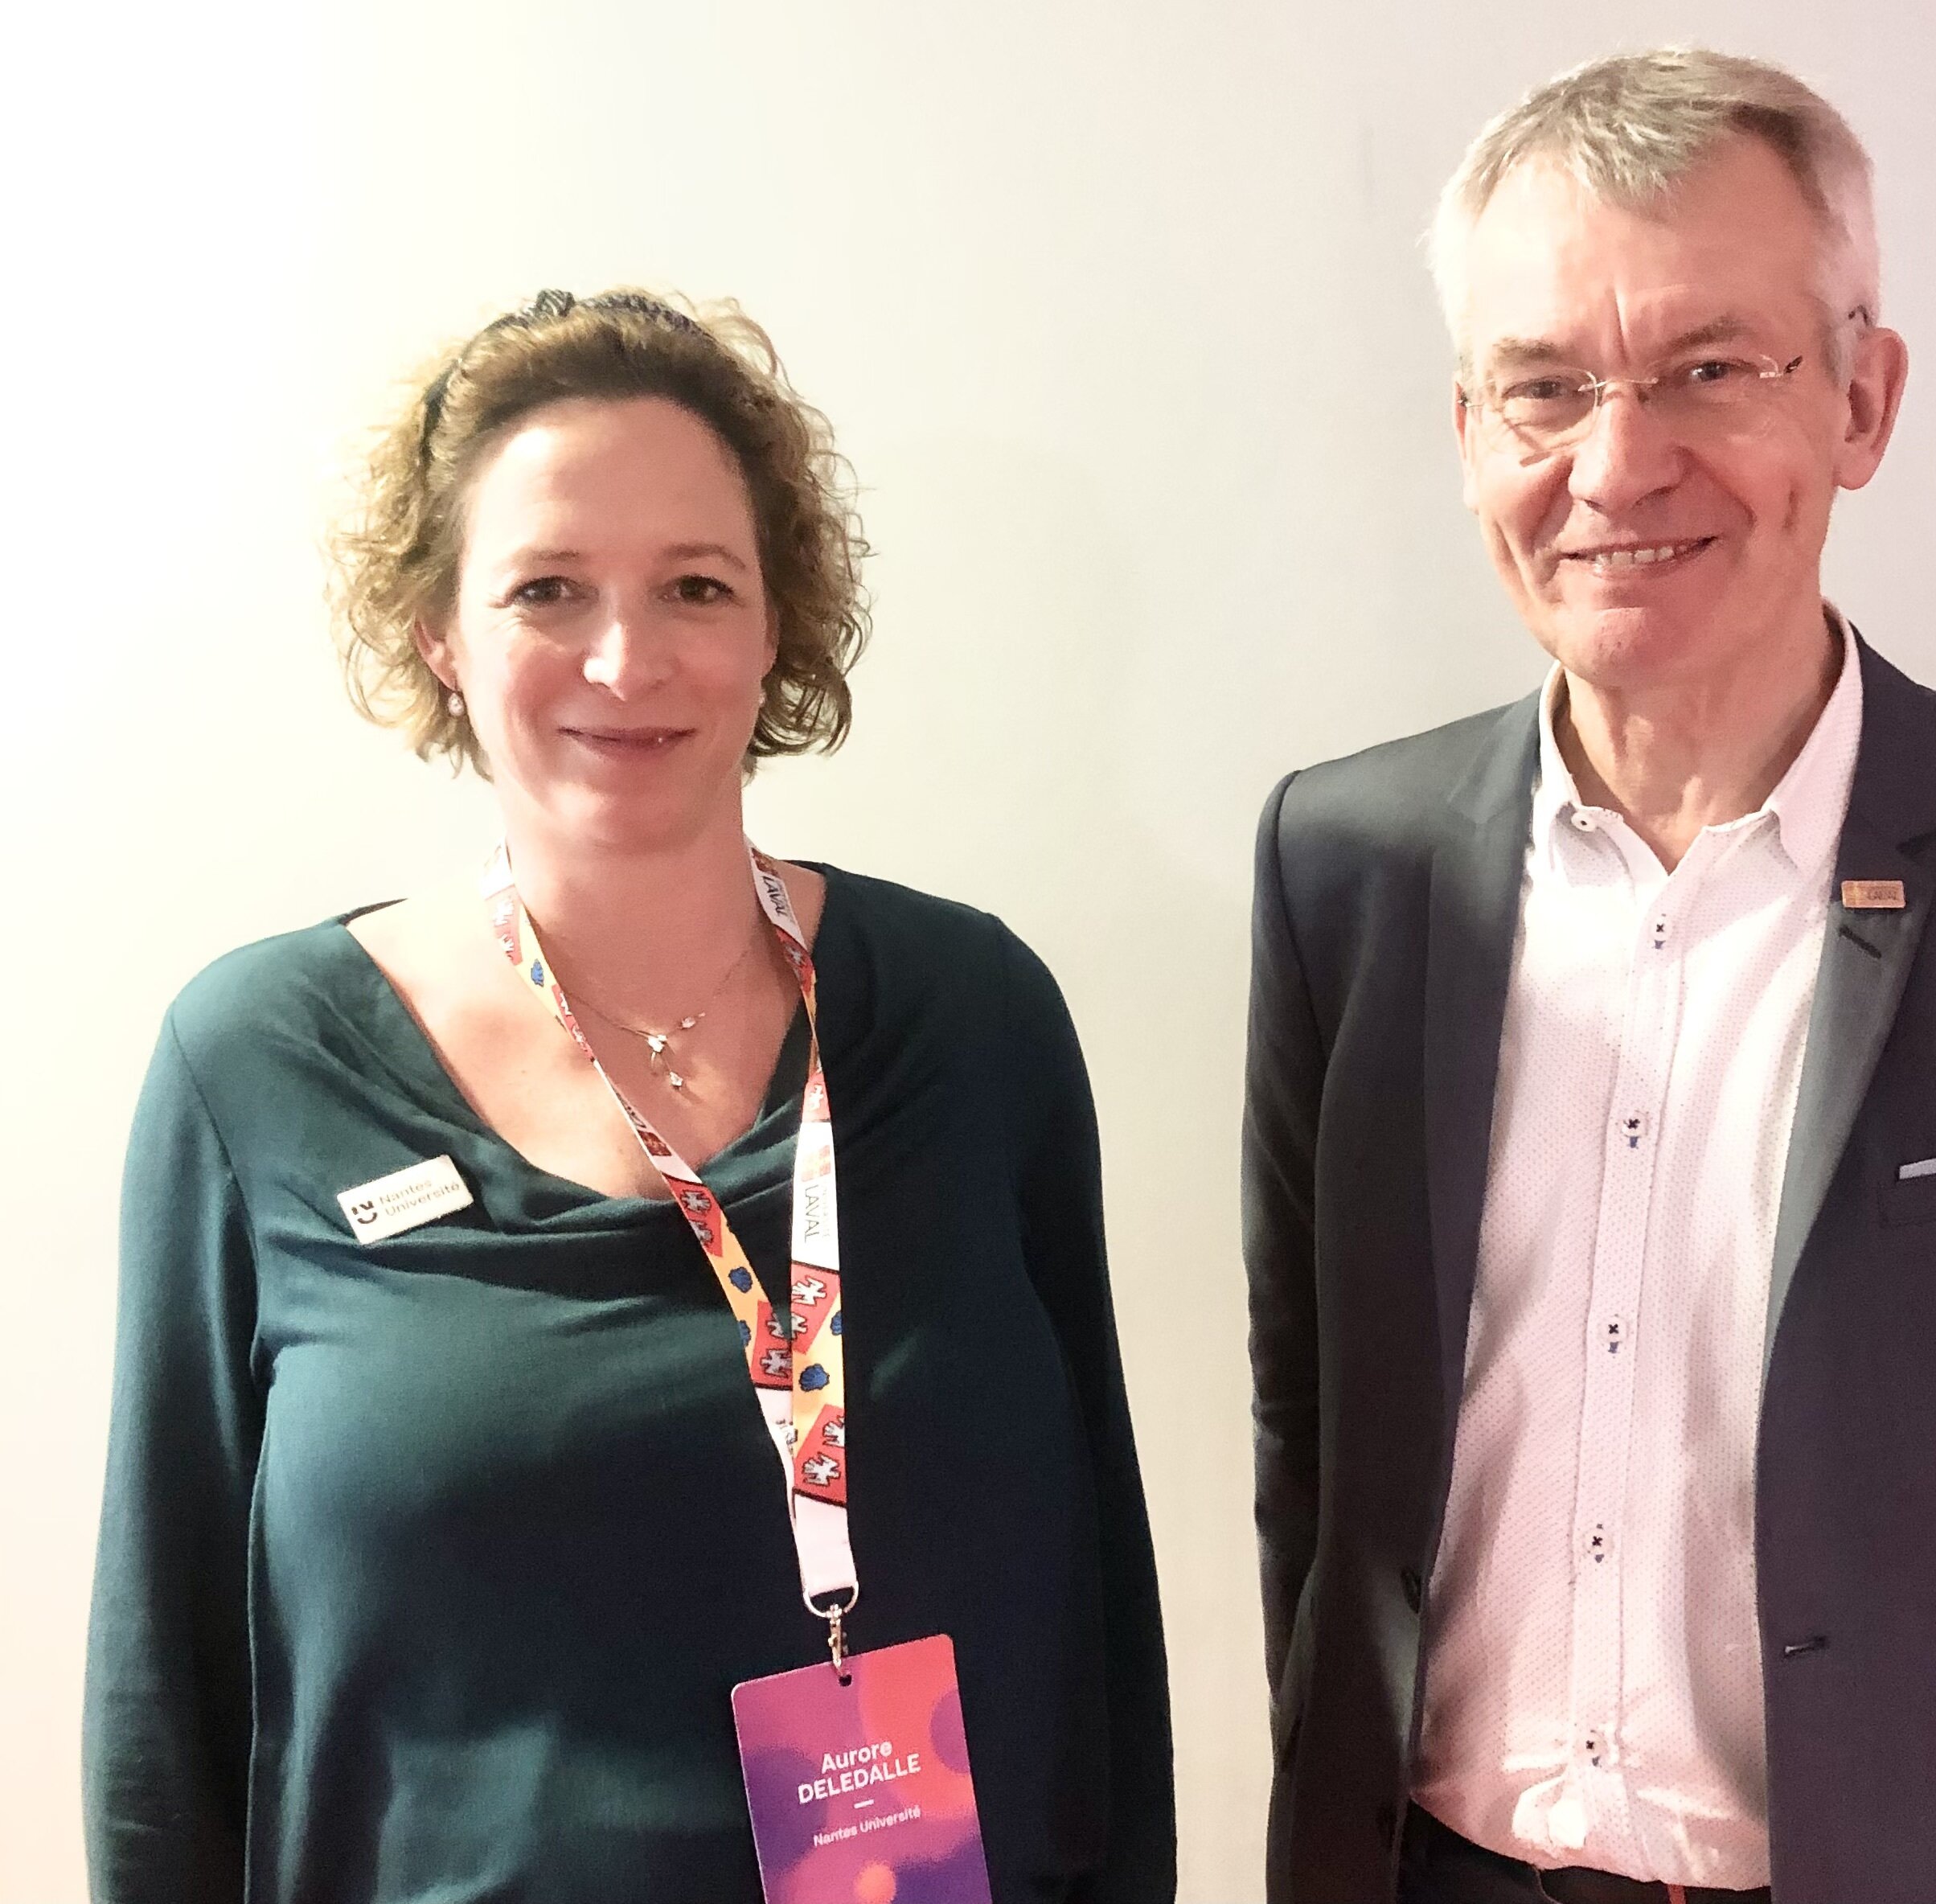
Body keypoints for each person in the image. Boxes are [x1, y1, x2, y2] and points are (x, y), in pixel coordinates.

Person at [1242, 50, 1936, 1904]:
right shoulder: (1347, 865)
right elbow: (1312, 1448)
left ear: (1864, 399)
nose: (1616, 461)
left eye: (1708, 370)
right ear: (1469, 431)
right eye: (1545, 387)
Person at [85, 288, 1174, 1903]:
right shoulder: (260, 1063)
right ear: (440, 634)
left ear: (772, 622)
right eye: (546, 587)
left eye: (694, 584)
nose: (626, 655)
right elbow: (160, 1698)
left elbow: (1103, 1620)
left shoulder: (976, 1015)